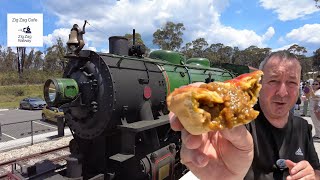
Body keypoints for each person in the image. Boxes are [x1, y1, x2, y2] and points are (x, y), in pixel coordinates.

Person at [169, 50, 320, 179]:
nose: (282, 93)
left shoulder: (303, 127)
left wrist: (311, 174)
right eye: (273, 81)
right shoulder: (235, 128)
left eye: (292, 83)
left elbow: (317, 170)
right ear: (259, 84)